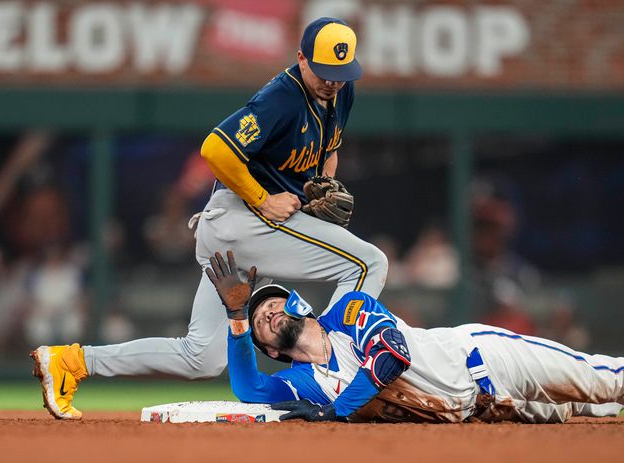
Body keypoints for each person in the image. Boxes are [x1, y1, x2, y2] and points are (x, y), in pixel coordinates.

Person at [30, 18, 388, 420]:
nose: (333, 82)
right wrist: (263, 198)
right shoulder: (281, 99)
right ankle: (332, 366)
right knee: (369, 262)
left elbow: (329, 149)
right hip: (241, 218)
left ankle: (73, 362)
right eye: (325, 73)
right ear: (302, 58)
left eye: (341, 74)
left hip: (244, 238)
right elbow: (215, 148)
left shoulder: (341, 93)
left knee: (202, 357)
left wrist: (322, 184)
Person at [204, 250, 624, 424]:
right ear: (271, 347)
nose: (268, 315)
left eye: (272, 304)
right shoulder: (304, 379)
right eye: (260, 321)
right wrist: (234, 321)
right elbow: (250, 392)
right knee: (582, 413)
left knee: (603, 380)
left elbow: (392, 358)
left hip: (484, 357)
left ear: (298, 304)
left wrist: (337, 415)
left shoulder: (349, 309)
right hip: (481, 411)